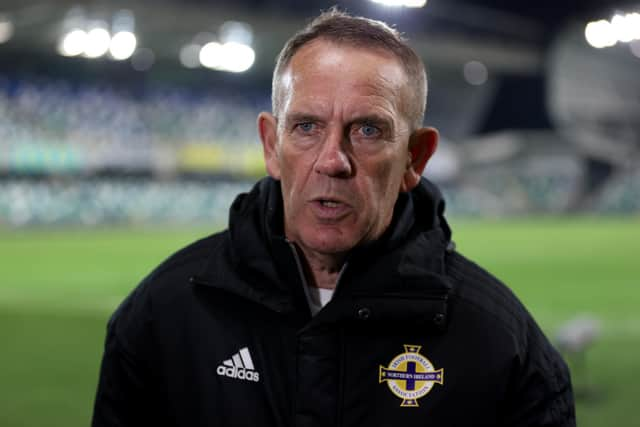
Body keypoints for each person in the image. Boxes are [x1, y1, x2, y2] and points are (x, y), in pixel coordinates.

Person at [92, 9, 575, 427]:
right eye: (306, 127)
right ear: (270, 145)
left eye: (367, 129)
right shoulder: (163, 312)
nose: (332, 160)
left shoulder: (500, 343)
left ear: (415, 158)